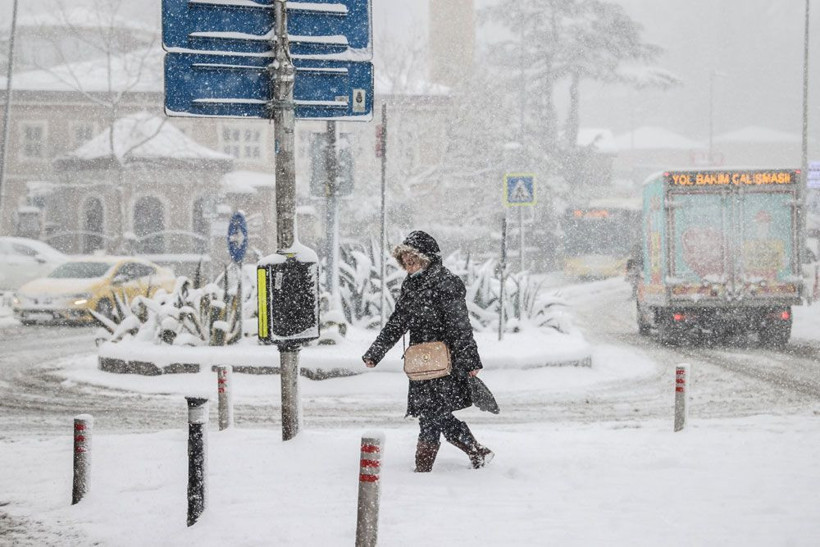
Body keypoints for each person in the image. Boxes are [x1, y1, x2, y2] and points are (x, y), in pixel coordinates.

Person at [362, 231, 494, 472]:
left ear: (427, 258)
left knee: (433, 413)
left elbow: (460, 325)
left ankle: (425, 468)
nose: (408, 265)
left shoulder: (446, 283)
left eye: (413, 259)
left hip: (446, 361)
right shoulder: (411, 285)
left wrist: (470, 361)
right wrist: (375, 352)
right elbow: (397, 322)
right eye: (405, 260)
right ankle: (475, 451)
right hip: (421, 362)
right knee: (432, 413)